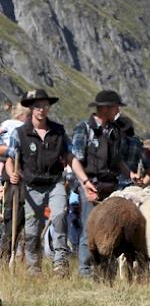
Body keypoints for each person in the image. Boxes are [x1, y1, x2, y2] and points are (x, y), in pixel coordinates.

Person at [4, 89, 84, 275]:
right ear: (31, 109)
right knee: (32, 228)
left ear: (48, 108)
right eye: (37, 106)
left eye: (45, 106)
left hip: (55, 182)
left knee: (59, 218)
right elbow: (10, 158)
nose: (41, 109)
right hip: (31, 185)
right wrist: (12, 173)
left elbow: (70, 156)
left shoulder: (58, 131)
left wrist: (84, 179)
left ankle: (60, 263)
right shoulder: (20, 133)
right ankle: (34, 268)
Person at [70, 89, 132, 278]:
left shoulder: (114, 130)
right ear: (105, 109)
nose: (117, 111)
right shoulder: (84, 128)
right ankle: (86, 270)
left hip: (110, 185)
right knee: (90, 227)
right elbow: (75, 159)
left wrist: (130, 174)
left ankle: (106, 270)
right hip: (91, 184)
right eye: (115, 107)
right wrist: (86, 183)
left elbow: (117, 158)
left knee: (110, 228)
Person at [0, 102, 30, 259]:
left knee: (14, 220)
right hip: (14, 176)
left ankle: (9, 255)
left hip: (13, 174)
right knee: (14, 218)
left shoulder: (6, 124)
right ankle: (7, 254)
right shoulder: (16, 126)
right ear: (23, 116)